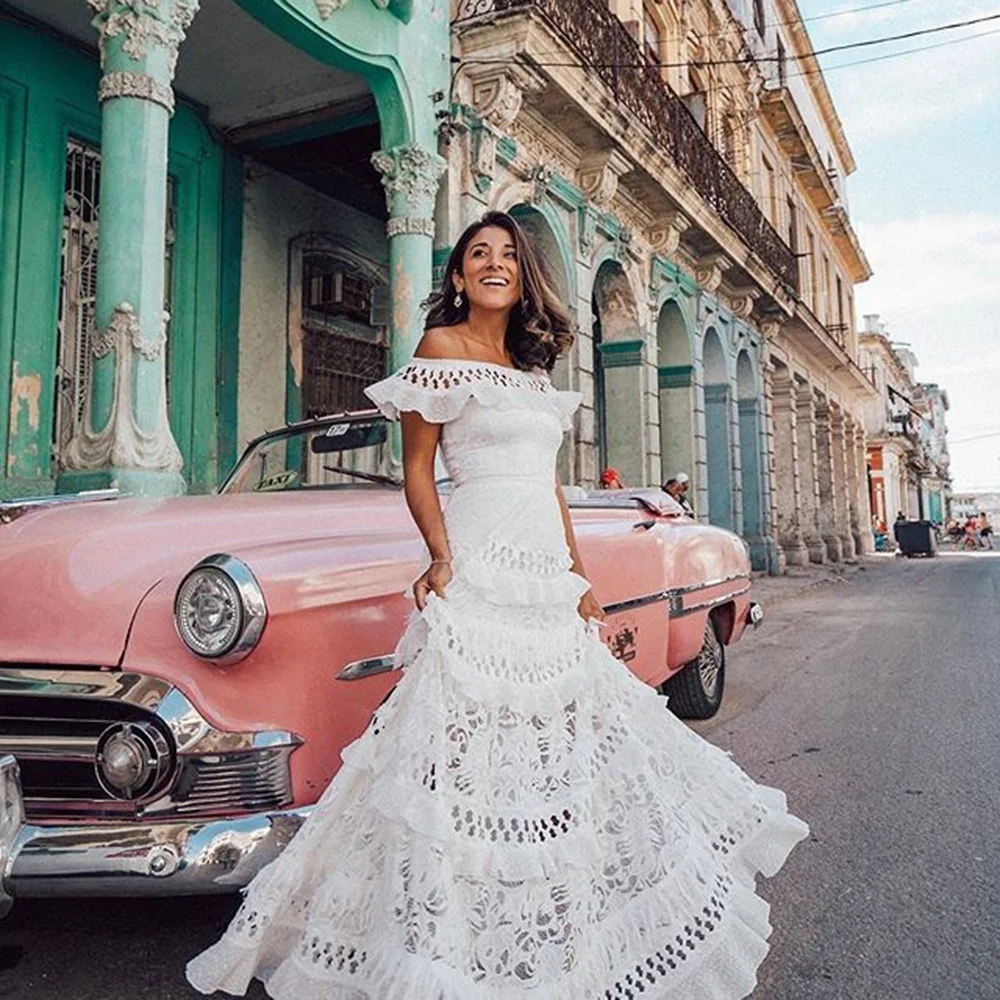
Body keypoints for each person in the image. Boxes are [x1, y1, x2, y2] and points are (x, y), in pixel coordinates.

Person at [187, 211, 808, 999]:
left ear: (522, 279)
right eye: (478, 253)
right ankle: (454, 935)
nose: (493, 264)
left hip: (544, 573)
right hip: (479, 564)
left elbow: (550, 488)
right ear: (456, 276)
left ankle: (556, 924)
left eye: (507, 256)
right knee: (464, 747)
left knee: (557, 744)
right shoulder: (438, 353)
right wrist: (442, 557)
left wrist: (580, 581)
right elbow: (418, 470)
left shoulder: (530, 370)